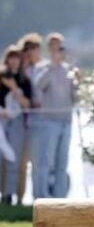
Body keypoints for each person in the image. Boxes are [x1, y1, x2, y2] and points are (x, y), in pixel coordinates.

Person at [34, 34, 78, 199]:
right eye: (53, 46)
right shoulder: (43, 67)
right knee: (45, 161)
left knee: (62, 163)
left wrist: (78, 82)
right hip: (49, 121)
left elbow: (75, 96)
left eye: (59, 46)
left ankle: (60, 199)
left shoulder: (69, 70)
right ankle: (41, 197)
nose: (57, 49)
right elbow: (39, 85)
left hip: (66, 120)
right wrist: (53, 66)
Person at [0, 45, 32, 204]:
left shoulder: (24, 80)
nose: (14, 61)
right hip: (1, 121)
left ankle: (9, 194)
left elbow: (27, 103)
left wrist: (13, 88)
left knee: (14, 157)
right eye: (11, 57)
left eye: (16, 58)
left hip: (17, 121)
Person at [16, 33, 42, 202]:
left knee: (40, 163)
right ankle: (18, 197)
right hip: (21, 121)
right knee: (20, 163)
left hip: (40, 122)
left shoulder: (43, 68)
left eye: (33, 48)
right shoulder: (18, 71)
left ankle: (38, 198)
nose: (30, 52)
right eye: (26, 49)